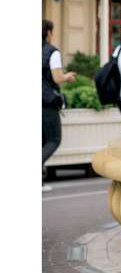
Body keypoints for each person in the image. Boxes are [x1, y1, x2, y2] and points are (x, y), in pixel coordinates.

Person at [42, 19, 76, 190]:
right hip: (45, 101)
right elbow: (57, 78)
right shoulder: (52, 52)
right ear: (48, 33)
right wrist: (67, 76)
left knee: (41, 141)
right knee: (54, 139)